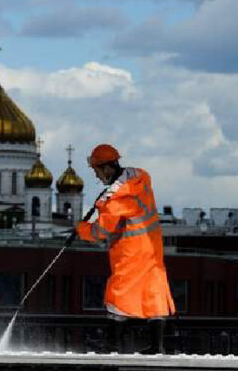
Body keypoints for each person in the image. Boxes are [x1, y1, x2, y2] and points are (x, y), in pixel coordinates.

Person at [76, 144, 175, 354]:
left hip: (129, 251)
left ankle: (112, 346)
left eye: (97, 171)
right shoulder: (141, 177)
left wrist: (82, 229)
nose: (97, 176)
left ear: (107, 168)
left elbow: (101, 231)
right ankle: (157, 346)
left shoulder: (115, 200)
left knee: (117, 293)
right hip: (152, 247)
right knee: (153, 291)